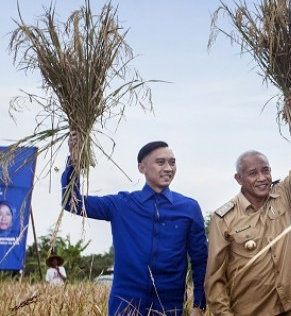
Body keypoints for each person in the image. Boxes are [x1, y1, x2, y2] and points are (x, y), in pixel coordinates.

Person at [61, 133, 206, 316]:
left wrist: (199, 305)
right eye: (160, 162)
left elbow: (201, 259)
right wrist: (74, 163)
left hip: (169, 306)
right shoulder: (122, 205)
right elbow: (73, 203)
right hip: (126, 305)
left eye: (172, 162)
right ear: (142, 168)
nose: (168, 168)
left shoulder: (188, 208)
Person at [205, 93, 291, 316]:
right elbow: (215, 278)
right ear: (239, 179)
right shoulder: (224, 219)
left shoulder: (284, 196)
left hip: (287, 308)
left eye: (265, 170)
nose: (262, 178)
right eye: (252, 173)